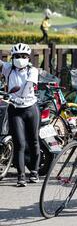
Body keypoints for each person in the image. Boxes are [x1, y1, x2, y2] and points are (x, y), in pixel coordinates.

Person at [0, 43, 40, 187]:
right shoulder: (8, 69)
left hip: (31, 109)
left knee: (34, 141)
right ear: (12, 57)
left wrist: (17, 97)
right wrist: (12, 99)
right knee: (20, 143)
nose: (20, 59)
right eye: (17, 56)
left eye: (23, 56)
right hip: (15, 110)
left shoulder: (32, 70)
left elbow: (28, 87)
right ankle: (21, 176)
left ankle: (34, 172)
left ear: (28, 58)